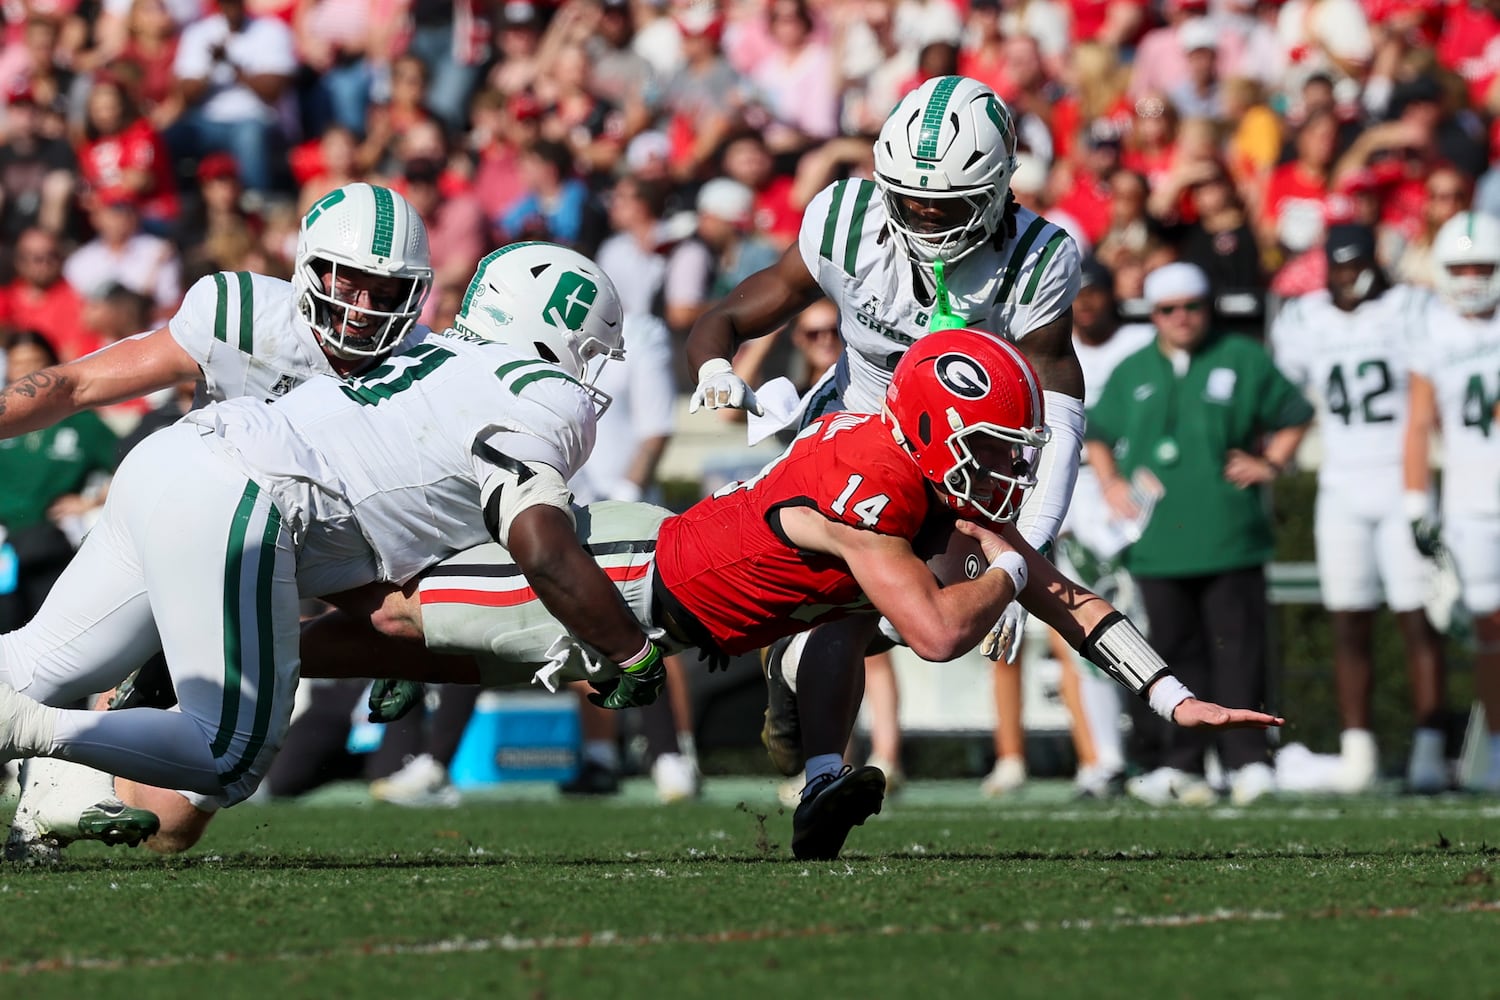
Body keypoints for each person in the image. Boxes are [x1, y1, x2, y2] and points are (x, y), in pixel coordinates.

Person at [299, 328, 1282, 861]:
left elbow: (1064, 593)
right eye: (990, 449)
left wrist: (1172, 697)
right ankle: (228, 641)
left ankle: (818, 774)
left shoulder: (917, 470)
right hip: (626, 582)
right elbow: (941, 631)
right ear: (932, 434)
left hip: (679, 598)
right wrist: (1011, 571)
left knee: (843, 610)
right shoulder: (868, 492)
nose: (1006, 472)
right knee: (389, 619)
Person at [0, 242, 642, 858]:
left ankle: (38, 742)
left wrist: (403, 650)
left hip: (171, 456)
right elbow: (541, 548)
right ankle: (34, 736)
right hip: (239, 498)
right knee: (228, 752)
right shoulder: (541, 396)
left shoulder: (427, 353)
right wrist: (630, 650)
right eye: (589, 351)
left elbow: (388, 541)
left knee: (32, 663)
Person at [684, 75, 1086, 813]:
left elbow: (1059, 419)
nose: (927, 217)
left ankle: (800, 690)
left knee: (910, 615)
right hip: (854, 432)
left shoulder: (1037, 257)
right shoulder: (846, 221)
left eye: (949, 204)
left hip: (961, 463)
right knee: (846, 603)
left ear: (1000, 186)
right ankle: (820, 767)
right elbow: (731, 314)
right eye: (911, 199)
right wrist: (714, 367)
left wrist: (1025, 553)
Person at [1, 182, 438, 860]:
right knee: (202, 742)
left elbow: (406, 532)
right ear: (309, 267)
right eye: (349, 281)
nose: (362, 308)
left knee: (170, 825)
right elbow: (82, 382)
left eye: (385, 290)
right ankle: (57, 755)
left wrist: (400, 633)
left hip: (284, 556)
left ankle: (60, 778)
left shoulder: (427, 374)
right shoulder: (244, 316)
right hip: (192, 510)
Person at [1085, 262, 1313, 807]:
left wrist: (1271, 463)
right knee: (1171, 654)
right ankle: (1181, 763)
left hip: (1229, 532)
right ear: (1153, 315)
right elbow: (1097, 431)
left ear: (1207, 307)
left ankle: (1248, 760)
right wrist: (1110, 483)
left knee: (1240, 652)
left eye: (1192, 306)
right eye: (1168, 310)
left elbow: (1295, 412)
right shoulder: (1133, 368)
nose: (1182, 318)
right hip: (1158, 542)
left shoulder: (1242, 356)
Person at [1270, 223, 1448, 793]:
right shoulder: (1306, 318)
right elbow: (1288, 393)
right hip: (1341, 484)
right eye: (1339, 266)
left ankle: (1430, 748)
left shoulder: (1409, 308)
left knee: (1418, 617)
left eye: (1356, 265)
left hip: (1400, 481)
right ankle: (1358, 750)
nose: (1348, 277)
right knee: (1348, 619)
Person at [1404, 211, 1500, 793]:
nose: (1470, 279)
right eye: (1459, 268)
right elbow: (1419, 423)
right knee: (1490, 630)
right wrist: (1417, 501)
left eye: (1481, 267)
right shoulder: (1433, 331)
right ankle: (1495, 750)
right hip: (1469, 500)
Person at [0, 333, 118, 633]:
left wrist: (91, 501)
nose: (26, 372)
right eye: (18, 364)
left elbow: (128, 462)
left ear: (53, 366)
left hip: (54, 543)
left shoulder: (81, 422)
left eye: (36, 363)